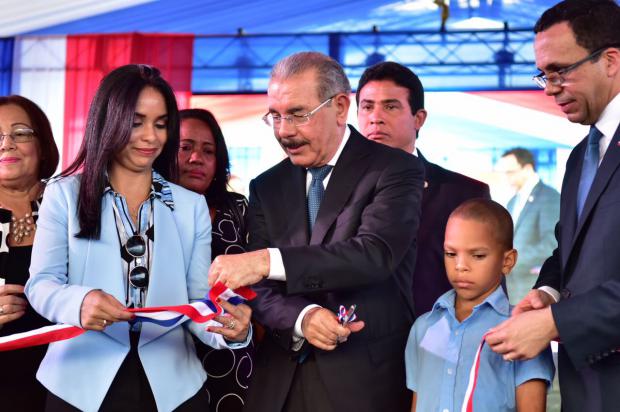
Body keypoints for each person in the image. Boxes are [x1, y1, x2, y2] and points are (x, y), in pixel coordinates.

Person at [25, 64, 251, 412]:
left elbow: (196, 301)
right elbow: (41, 284)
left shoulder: (190, 207)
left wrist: (228, 329)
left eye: (160, 124)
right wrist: (80, 302)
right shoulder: (64, 194)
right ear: (108, 120)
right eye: (136, 122)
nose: (151, 137)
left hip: (174, 387)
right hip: (79, 384)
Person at [207, 51, 424, 412]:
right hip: (278, 383)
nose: (284, 131)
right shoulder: (268, 185)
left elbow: (373, 254)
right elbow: (258, 287)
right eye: (274, 116)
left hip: (363, 384)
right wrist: (301, 318)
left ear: (340, 107)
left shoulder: (395, 170)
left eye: (297, 115)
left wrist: (267, 261)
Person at [485, 1, 620, 410]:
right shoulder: (581, 155)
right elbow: (570, 252)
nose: (548, 87)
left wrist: (555, 323)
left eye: (560, 71)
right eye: (543, 74)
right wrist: (549, 293)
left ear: (611, 60)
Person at [356, 61, 491, 315]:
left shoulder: (464, 193)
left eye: (390, 106)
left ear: (418, 118)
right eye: (367, 107)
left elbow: (486, 293)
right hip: (352, 344)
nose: (375, 118)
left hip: (438, 343)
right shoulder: (333, 190)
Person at [405, 198, 554, 412]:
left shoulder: (524, 330)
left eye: (477, 255)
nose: (460, 266)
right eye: (451, 254)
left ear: (507, 261)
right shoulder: (423, 327)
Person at [178, 108, 253, 411]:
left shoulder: (238, 208)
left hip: (231, 350)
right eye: (185, 148)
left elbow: (263, 282)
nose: (197, 158)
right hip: (165, 352)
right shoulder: (146, 210)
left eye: (208, 151)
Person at [0, 95, 59, 411]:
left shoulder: (74, 206)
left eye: (20, 132)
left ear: (43, 143)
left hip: (74, 383)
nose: (6, 143)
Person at [497, 148, 560, 303]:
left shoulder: (549, 197)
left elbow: (551, 244)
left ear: (527, 168)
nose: (507, 178)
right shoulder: (513, 201)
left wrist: (510, 260)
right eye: (504, 173)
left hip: (533, 288)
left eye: (510, 172)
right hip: (512, 288)